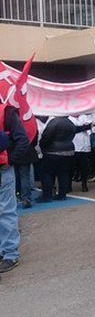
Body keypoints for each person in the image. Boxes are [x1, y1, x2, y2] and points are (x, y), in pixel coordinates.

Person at [0, 106, 30, 275]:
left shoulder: (6, 112)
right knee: (5, 212)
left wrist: (9, 161)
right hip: (4, 168)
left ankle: (10, 254)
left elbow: (22, 140)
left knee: (6, 212)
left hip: (3, 170)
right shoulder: (6, 111)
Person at [38, 116, 76, 202]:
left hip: (52, 151)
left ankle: (47, 195)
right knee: (63, 173)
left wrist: (43, 147)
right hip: (68, 150)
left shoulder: (54, 122)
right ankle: (62, 195)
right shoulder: (70, 122)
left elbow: (46, 137)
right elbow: (74, 133)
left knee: (47, 173)